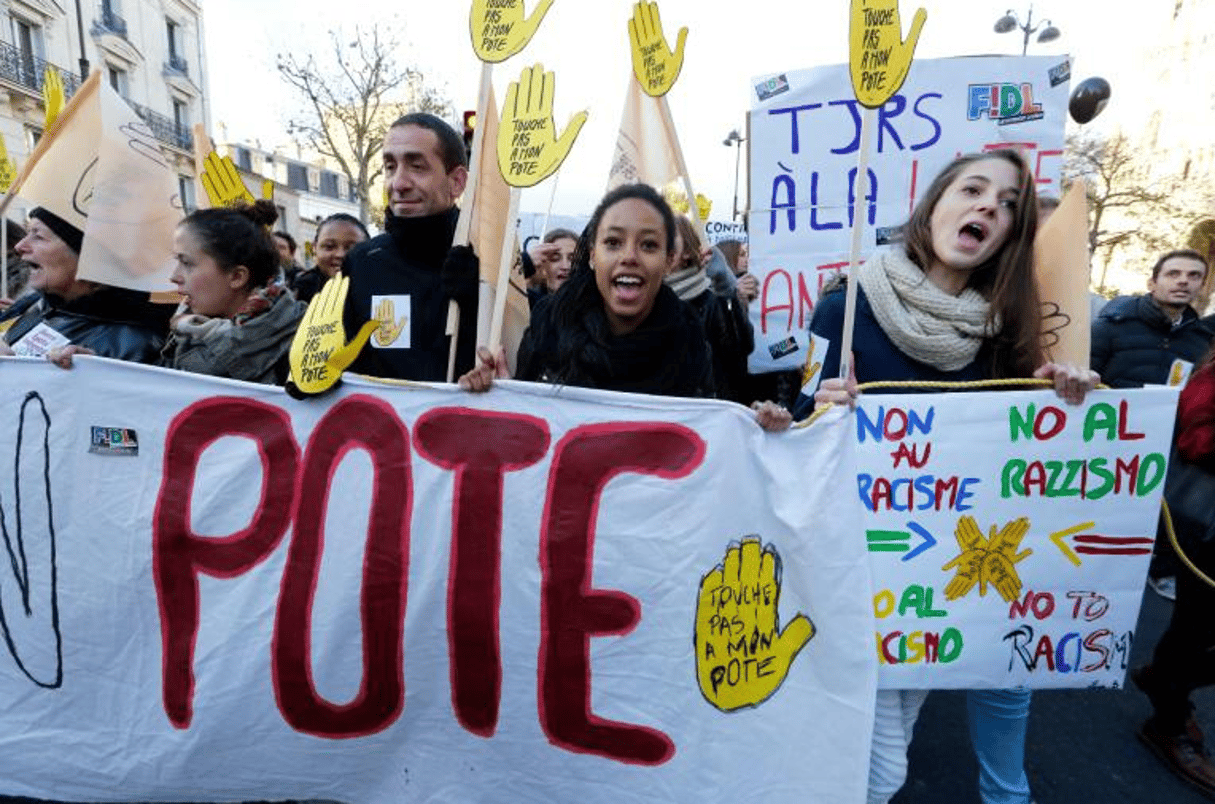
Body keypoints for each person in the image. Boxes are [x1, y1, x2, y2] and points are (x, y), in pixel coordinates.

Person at [803, 149, 1097, 804]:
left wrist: (1072, 402)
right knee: (877, 772)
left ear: (1009, 237)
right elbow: (791, 431)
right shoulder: (842, 305)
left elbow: (1026, 467)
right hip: (851, 574)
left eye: (1008, 205)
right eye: (972, 189)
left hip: (939, 588)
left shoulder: (1005, 336)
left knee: (890, 741)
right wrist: (816, 414)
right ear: (933, 203)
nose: (988, 206)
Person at [459, 183, 790, 431]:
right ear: (591, 255)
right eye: (613, 243)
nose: (629, 257)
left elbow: (710, 434)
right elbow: (526, 436)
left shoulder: (689, 337)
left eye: (648, 245)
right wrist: (501, 395)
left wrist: (757, 427)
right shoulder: (550, 323)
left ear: (668, 260)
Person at [1090, 248, 1214, 599]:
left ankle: (1159, 570)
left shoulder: (1203, 343)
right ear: (1153, 281)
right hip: (1106, 443)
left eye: (1193, 276)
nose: (1183, 282)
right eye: (1174, 274)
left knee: (1162, 516)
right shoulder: (1110, 327)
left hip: (1167, 448)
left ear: (1202, 287)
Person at [334, 112, 479, 382]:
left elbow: (521, 367)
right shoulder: (363, 262)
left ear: (457, 181)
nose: (398, 184)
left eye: (417, 166)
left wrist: (476, 304)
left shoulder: (489, 261)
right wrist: (311, 377)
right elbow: (339, 363)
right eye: (390, 166)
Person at [1133, 345, 1215, 798]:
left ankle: (1164, 677)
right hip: (1207, 532)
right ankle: (1166, 724)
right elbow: (1193, 441)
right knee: (1194, 630)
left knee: (1190, 640)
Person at [0, 207, 170, 364]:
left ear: (89, 259)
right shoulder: (37, 304)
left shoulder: (136, 344)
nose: (19, 246)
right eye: (28, 233)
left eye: (38, 236)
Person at [163, 200, 306, 384]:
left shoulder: (304, 350)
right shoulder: (187, 329)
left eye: (187, 263)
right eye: (178, 261)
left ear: (237, 277)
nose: (174, 277)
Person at [666, 214, 753, 403]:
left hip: (708, 412)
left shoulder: (709, 300)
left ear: (687, 252)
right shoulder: (641, 300)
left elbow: (740, 353)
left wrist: (727, 291)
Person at [291, 214, 369, 304]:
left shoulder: (379, 289)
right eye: (329, 246)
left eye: (352, 248)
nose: (340, 254)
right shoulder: (297, 294)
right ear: (314, 248)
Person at [522, 227, 579, 309]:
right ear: (542, 267)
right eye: (555, 258)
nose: (565, 266)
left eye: (573, 260)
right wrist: (526, 262)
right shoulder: (527, 304)